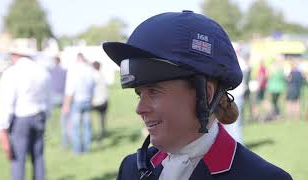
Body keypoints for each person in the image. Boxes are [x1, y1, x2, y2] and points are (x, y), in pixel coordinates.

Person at [103, 11, 292, 180]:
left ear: (206, 95)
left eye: (154, 92)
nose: (140, 108)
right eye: (139, 94)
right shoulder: (131, 169)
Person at [0, 47, 51, 180]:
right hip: (39, 116)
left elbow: (6, 103)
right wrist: (46, 116)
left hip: (21, 118)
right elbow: (48, 99)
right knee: (38, 157)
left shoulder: (12, 73)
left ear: (16, 55)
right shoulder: (42, 72)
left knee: (18, 160)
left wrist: (2, 126)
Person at [61, 53, 95, 154]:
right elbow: (93, 86)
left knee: (75, 127)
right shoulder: (89, 70)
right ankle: (86, 149)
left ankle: (77, 150)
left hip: (77, 100)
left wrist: (66, 104)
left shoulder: (73, 69)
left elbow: (69, 89)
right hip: (87, 100)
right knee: (86, 126)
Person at [91, 61, 109, 141]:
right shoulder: (102, 76)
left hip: (95, 101)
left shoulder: (93, 76)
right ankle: (102, 132)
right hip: (104, 100)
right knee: (102, 118)